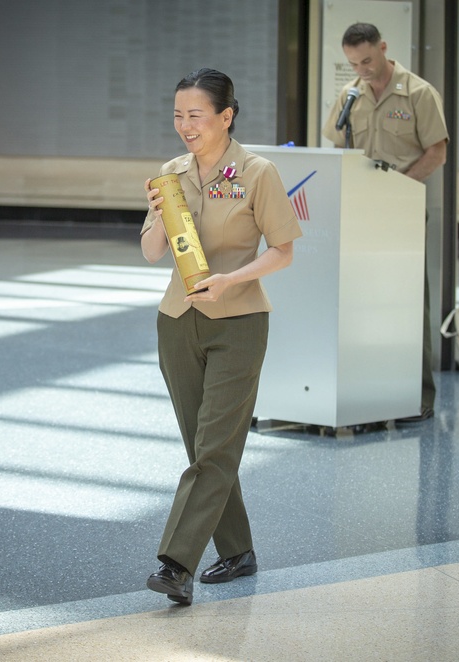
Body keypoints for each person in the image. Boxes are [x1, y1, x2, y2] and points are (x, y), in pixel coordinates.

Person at [140, 68, 302, 605]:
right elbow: (150, 252)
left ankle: (175, 563)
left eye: (196, 115)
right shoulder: (170, 173)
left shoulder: (258, 172)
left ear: (226, 116)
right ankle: (239, 550)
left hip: (238, 322)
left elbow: (283, 251)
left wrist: (229, 281)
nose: (185, 126)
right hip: (176, 321)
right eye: (178, 116)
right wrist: (162, 214)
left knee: (214, 448)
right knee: (204, 446)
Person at [322, 22, 449, 423]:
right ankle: (369, 391)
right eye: (353, 63)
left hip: (402, 210)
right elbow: (334, 141)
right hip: (359, 212)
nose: (362, 68)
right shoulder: (351, 94)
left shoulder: (418, 93)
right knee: (362, 300)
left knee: (409, 301)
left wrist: (398, 189)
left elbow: (437, 152)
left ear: (384, 49)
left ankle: (417, 397)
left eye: (367, 60)